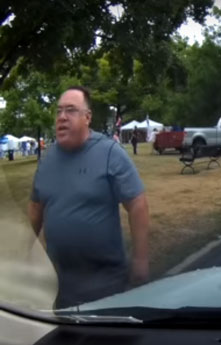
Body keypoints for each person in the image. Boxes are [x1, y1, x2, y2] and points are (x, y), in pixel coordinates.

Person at [28, 86, 150, 309]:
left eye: (71, 110)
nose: (62, 117)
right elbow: (36, 207)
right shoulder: (47, 160)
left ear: (87, 117)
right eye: (59, 111)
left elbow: (137, 204)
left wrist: (140, 259)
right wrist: (26, 249)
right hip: (57, 282)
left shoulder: (110, 153)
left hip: (106, 283)